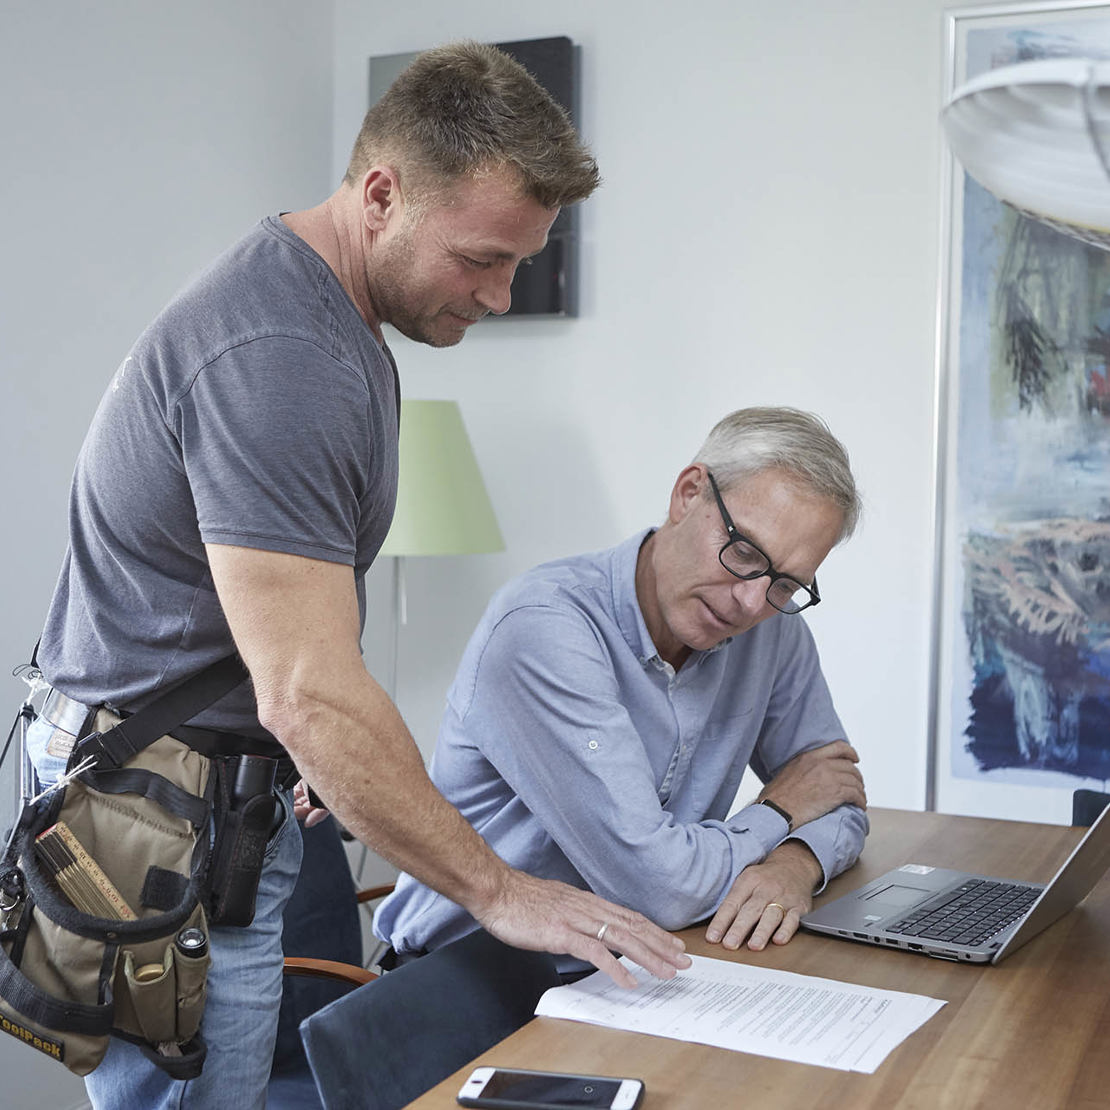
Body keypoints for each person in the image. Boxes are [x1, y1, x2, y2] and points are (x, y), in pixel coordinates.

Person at [25, 41, 688, 1110]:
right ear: (382, 195)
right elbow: (310, 692)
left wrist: (306, 750)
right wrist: (499, 893)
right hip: (164, 825)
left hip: (205, 791)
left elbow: (283, 653)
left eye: (519, 263)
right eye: (480, 259)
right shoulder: (284, 356)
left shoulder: (331, 318)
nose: (500, 294)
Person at [375, 407, 869, 973]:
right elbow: (659, 888)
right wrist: (779, 810)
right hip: (468, 982)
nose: (751, 602)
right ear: (688, 494)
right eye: (745, 554)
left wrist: (795, 865)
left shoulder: (773, 630)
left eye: (786, 584)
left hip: (644, 971)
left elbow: (837, 791)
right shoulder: (544, 627)